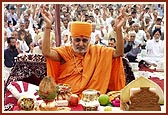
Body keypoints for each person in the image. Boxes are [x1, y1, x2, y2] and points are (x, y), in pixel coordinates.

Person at [41, 7, 126, 97]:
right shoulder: (65, 52)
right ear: (71, 39)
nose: (81, 44)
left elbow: (119, 53)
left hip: (91, 99)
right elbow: (47, 53)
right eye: (77, 40)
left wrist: (118, 29)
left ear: (89, 40)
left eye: (84, 40)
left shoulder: (97, 51)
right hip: (66, 97)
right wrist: (48, 26)